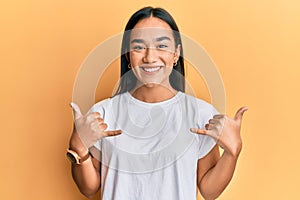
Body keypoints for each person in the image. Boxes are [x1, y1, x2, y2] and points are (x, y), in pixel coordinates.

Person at [67, 6, 247, 200]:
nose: (150, 58)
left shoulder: (200, 114)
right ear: (128, 55)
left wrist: (232, 152)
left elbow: (209, 191)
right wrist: (78, 146)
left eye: (161, 46)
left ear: (176, 53)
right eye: (138, 46)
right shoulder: (104, 113)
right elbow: (89, 188)